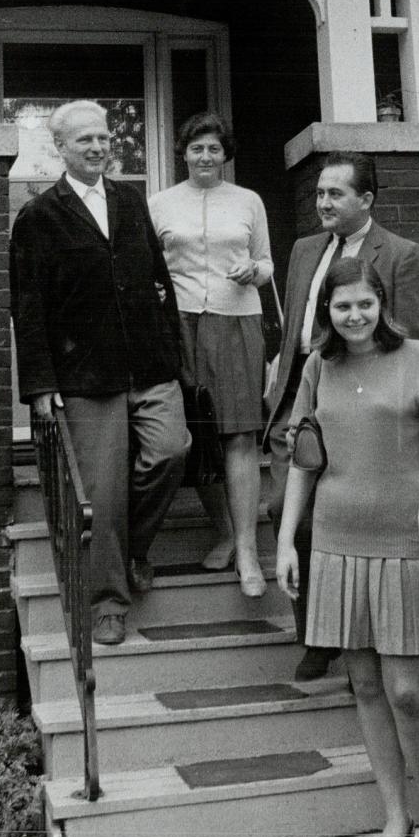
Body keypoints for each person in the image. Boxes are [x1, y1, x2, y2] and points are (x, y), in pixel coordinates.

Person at [275, 257, 419, 837]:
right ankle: (394, 820)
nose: (353, 316)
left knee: (410, 689)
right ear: (325, 311)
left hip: (406, 542)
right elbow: (303, 461)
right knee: (366, 687)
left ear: (382, 303)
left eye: (364, 303)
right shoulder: (317, 367)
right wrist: (285, 543)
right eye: (340, 306)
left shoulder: (418, 359)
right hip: (335, 541)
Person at [9, 100, 190, 647]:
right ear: (59, 148)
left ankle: (132, 549)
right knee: (102, 493)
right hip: (86, 376)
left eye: (105, 138)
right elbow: (29, 307)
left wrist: (174, 355)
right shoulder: (39, 217)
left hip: (150, 365)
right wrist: (40, 387)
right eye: (84, 140)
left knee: (171, 450)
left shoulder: (131, 202)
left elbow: (160, 282)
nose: (98, 147)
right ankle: (107, 602)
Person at [264, 151, 419, 680]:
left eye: (335, 194)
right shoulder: (303, 250)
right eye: (319, 193)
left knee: (347, 515)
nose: (323, 203)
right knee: (286, 510)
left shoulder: (402, 254)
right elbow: (297, 323)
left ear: (367, 199)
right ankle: (317, 634)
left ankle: (373, 639)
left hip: (370, 402)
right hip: (304, 390)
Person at [149, 113, 274, 597]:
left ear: (226, 155)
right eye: (197, 148)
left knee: (239, 433)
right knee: (198, 434)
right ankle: (222, 530)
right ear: (183, 152)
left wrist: (254, 270)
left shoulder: (248, 201)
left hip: (236, 319)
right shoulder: (159, 204)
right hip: (179, 323)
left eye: (214, 149)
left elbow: (266, 262)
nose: (205, 156)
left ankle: (247, 551)